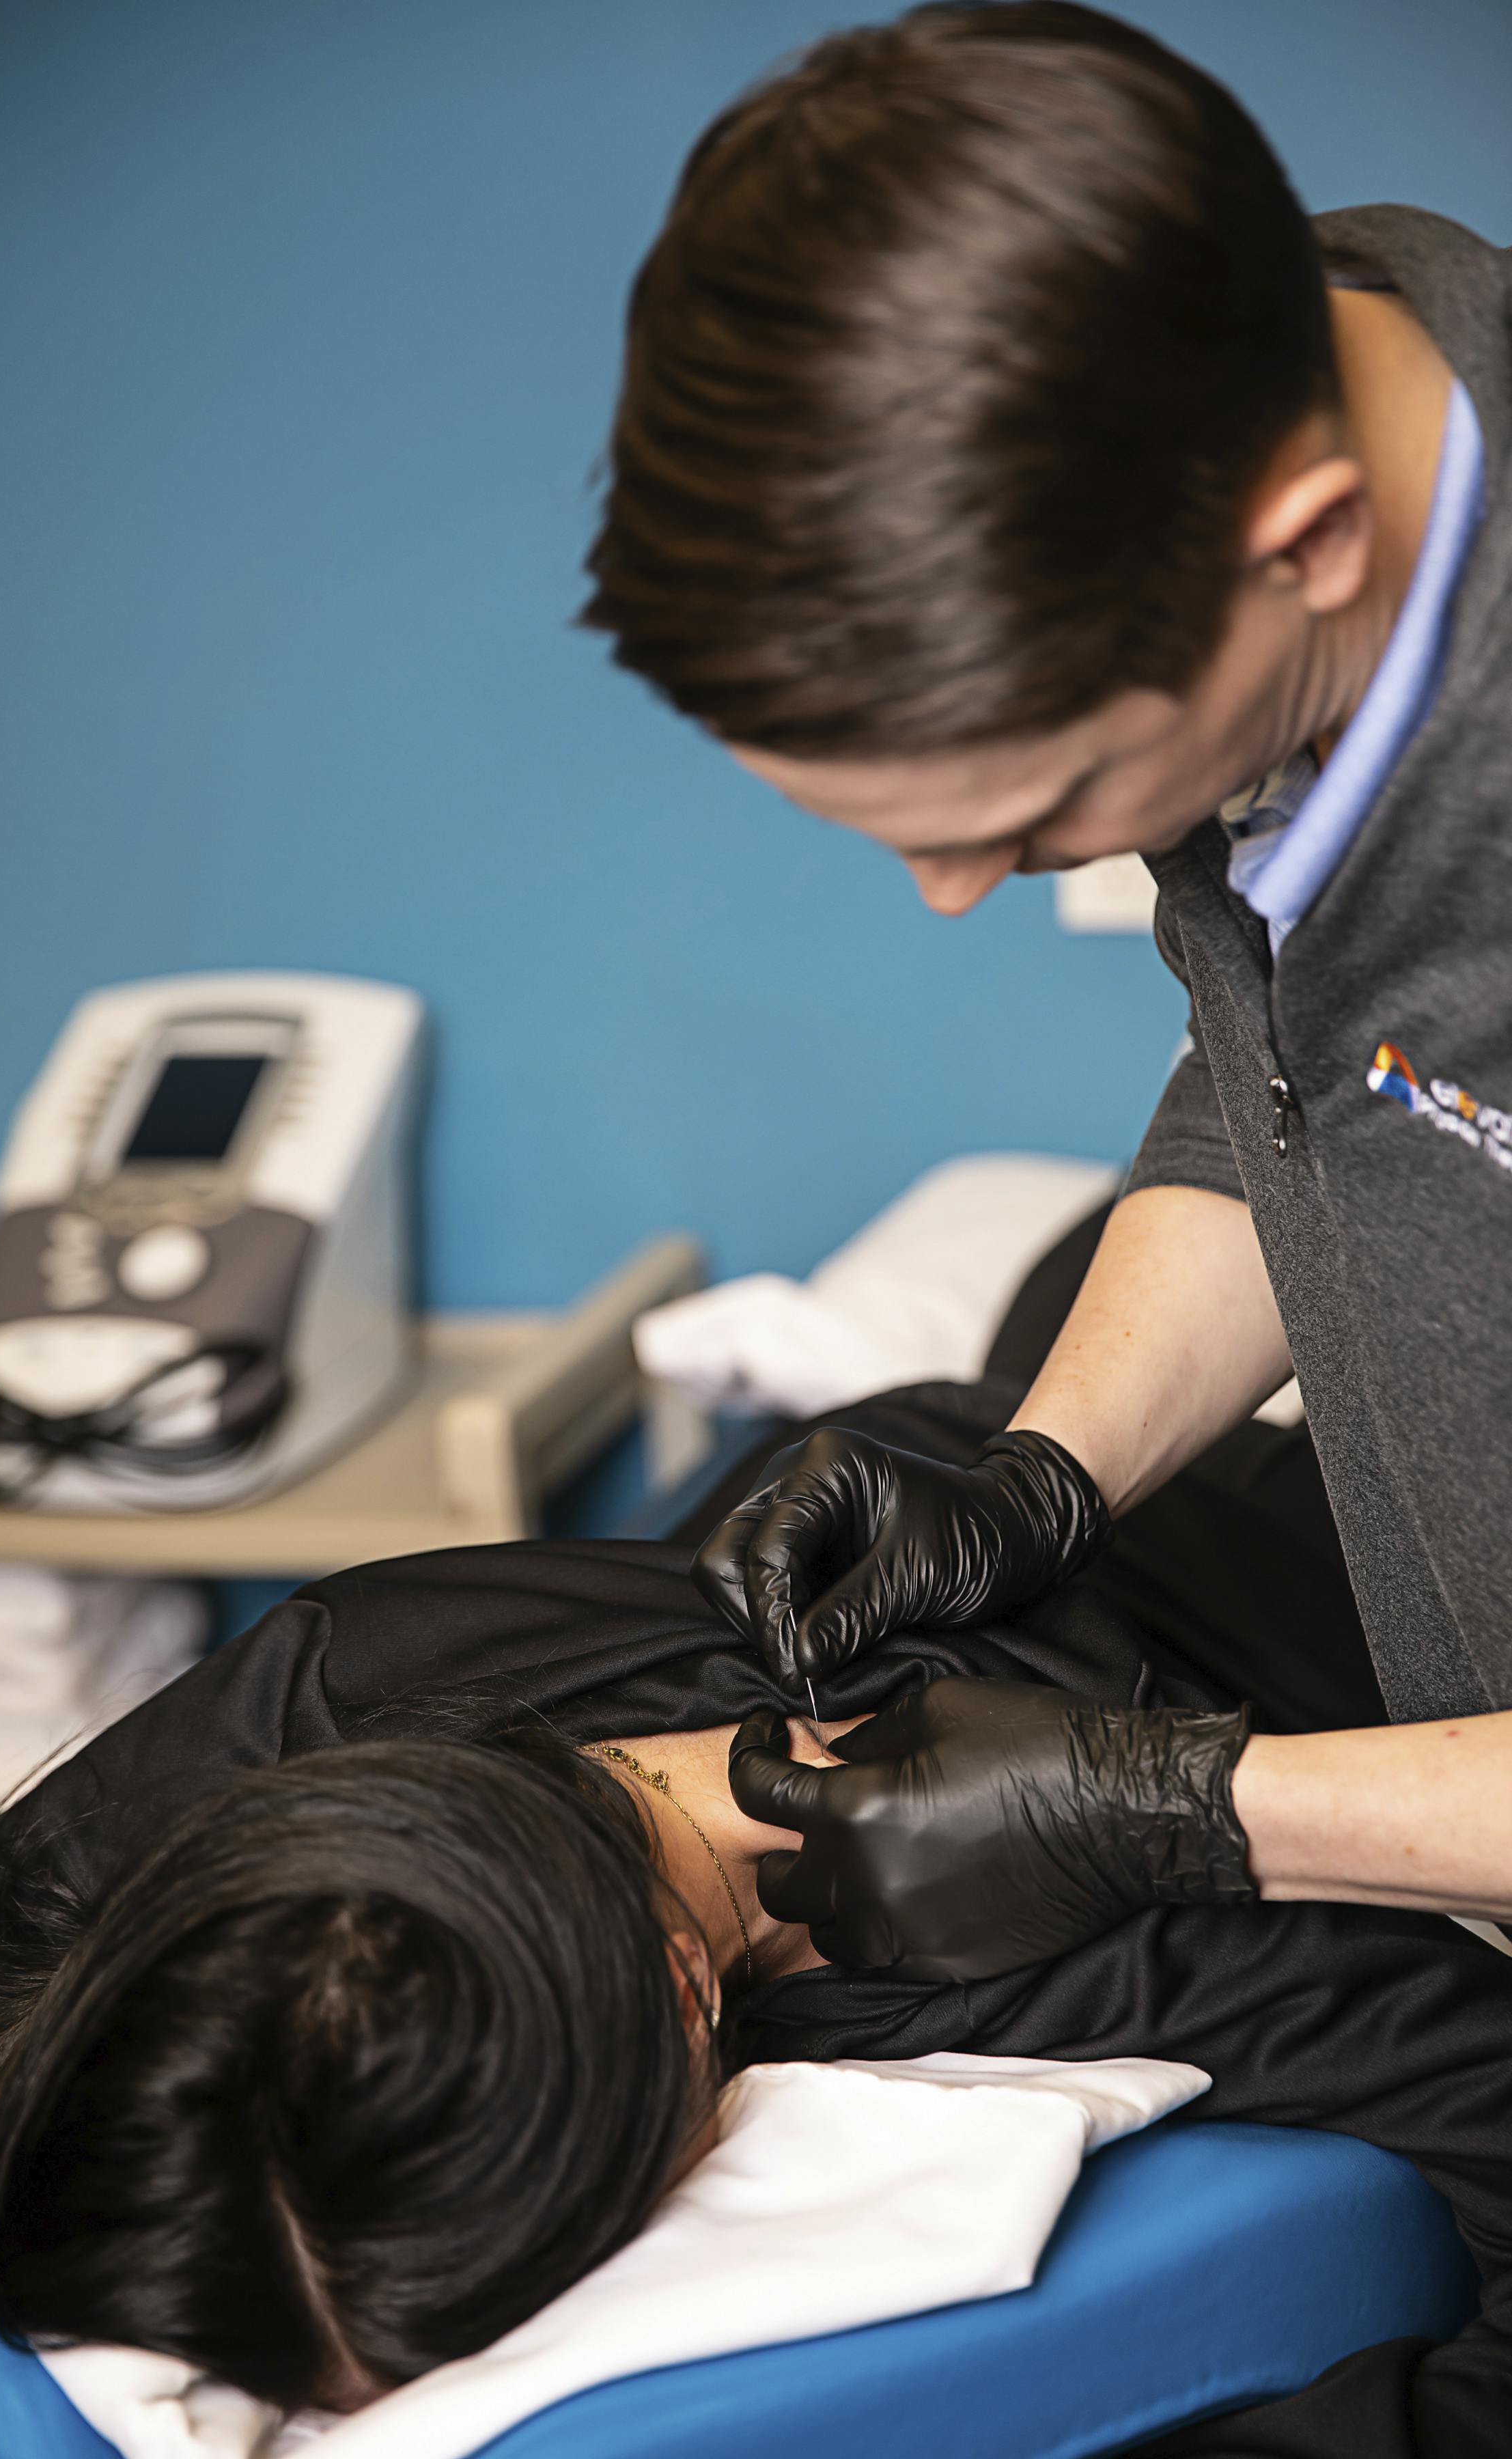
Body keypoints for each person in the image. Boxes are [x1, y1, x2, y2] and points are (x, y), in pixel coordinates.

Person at [578, 3, 1512, 1956]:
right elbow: (1325, 1086)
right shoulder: (1246, 379)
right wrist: (1044, 1474)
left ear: (1310, 545)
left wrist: (1187, 1816)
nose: (949, 895)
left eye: (1043, 809)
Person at [0, 1352, 1512, 2459]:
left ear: (679, 1995)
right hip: (958, 1466)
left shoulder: (1121, 1939)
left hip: (1299, 1563)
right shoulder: (326, 1700)